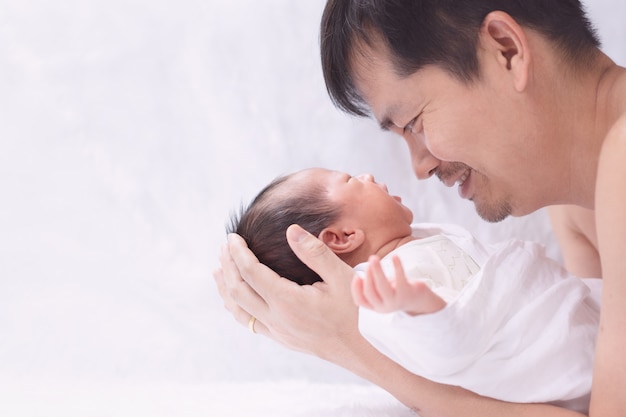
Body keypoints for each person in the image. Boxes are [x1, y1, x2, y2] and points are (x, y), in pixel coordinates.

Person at [214, 1, 626, 416]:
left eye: (414, 123)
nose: (421, 166)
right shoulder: (577, 201)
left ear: (506, 50)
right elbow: (581, 386)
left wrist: (353, 345)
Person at [228, 167, 600, 413]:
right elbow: (447, 352)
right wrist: (421, 307)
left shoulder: (414, 241)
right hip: (564, 359)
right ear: (341, 237)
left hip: (572, 310)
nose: (368, 175)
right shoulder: (382, 296)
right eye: (350, 181)